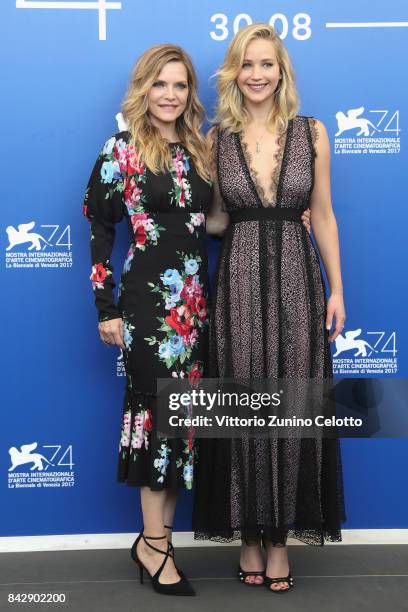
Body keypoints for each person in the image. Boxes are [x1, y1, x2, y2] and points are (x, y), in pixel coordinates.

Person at [193, 23, 347, 593]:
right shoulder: (217, 140)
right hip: (235, 286)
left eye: (267, 64)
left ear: (282, 71)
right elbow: (215, 220)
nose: (257, 74)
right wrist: (165, 223)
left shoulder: (313, 133)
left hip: (297, 282)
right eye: (247, 64)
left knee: (291, 407)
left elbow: (325, 214)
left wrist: (337, 289)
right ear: (233, 72)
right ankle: (248, 537)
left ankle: (278, 539)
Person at [83, 44, 213, 596]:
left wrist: (278, 212)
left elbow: (211, 221)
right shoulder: (123, 148)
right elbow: (99, 229)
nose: (170, 95)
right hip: (144, 307)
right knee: (154, 419)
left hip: (193, 309)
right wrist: (105, 307)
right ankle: (156, 545)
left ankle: (153, 542)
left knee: (180, 425)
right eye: (160, 84)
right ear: (144, 88)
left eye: (180, 85)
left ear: (190, 94)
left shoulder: (201, 150)